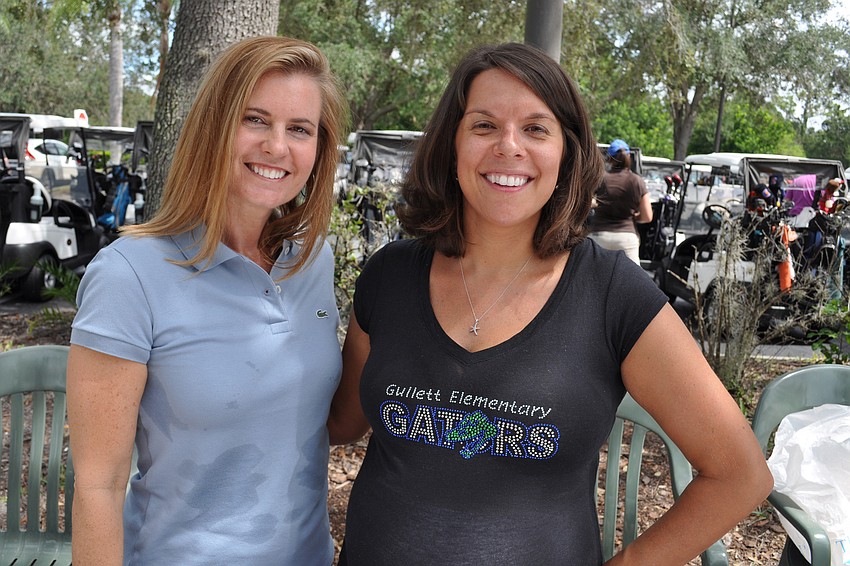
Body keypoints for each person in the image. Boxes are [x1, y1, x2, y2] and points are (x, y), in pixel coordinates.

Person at [327, 42, 772, 565]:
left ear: (567, 153)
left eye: (535, 128)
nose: (508, 146)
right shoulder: (390, 275)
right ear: (452, 144)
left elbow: (740, 475)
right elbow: (342, 422)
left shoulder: (613, 295)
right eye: (484, 125)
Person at [67, 36, 348, 565]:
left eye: (300, 129)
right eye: (255, 120)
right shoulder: (129, 274)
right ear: (214, 127)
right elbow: (98, 488)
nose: (276, 147)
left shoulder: (314, 262)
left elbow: (323, 419)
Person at [588, 138, 653, 264]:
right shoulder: (636, 181)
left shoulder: (601, 178)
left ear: (609, 159)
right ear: (629, 156)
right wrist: (635, 216)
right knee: (632, 282)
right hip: (626, 238)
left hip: (599, 236)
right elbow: (647, 216)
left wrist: (598, 205)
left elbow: (585, 202)